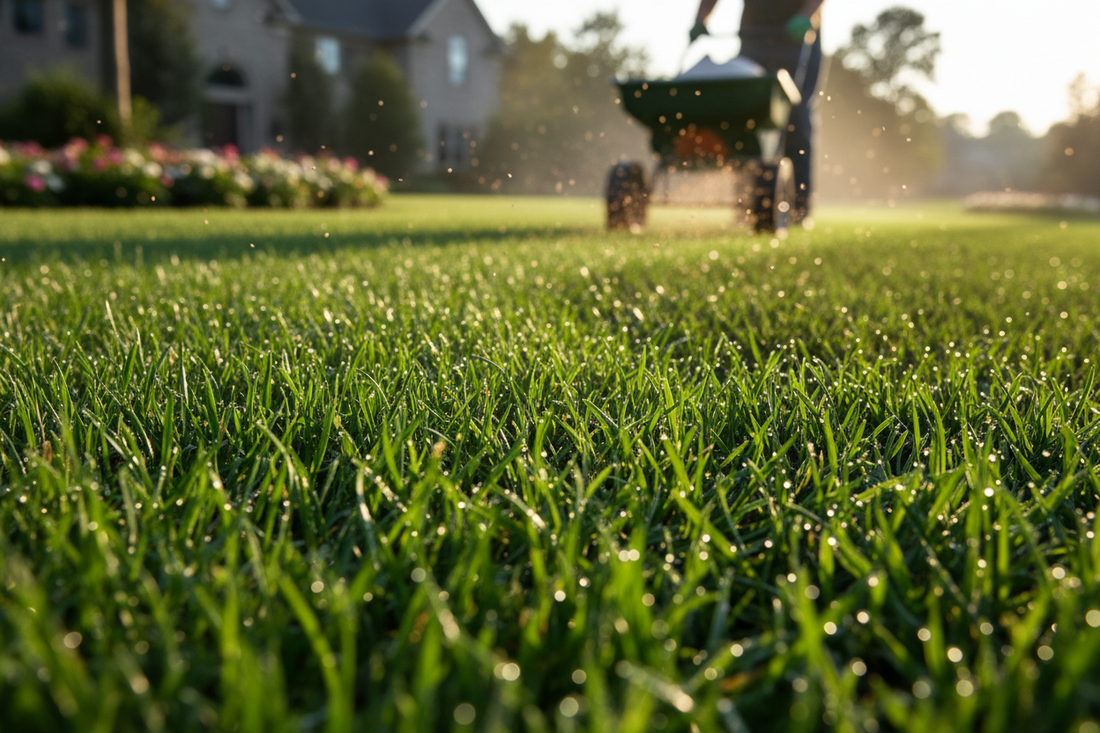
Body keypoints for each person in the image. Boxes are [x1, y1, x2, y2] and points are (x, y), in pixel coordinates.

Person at [691, 0, 824, 220]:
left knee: (795, 117)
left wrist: (807, 15)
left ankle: (799, 208)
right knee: (747, 117)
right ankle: (746, 203)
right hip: (753, 36)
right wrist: (701, 18)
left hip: (798, 36)